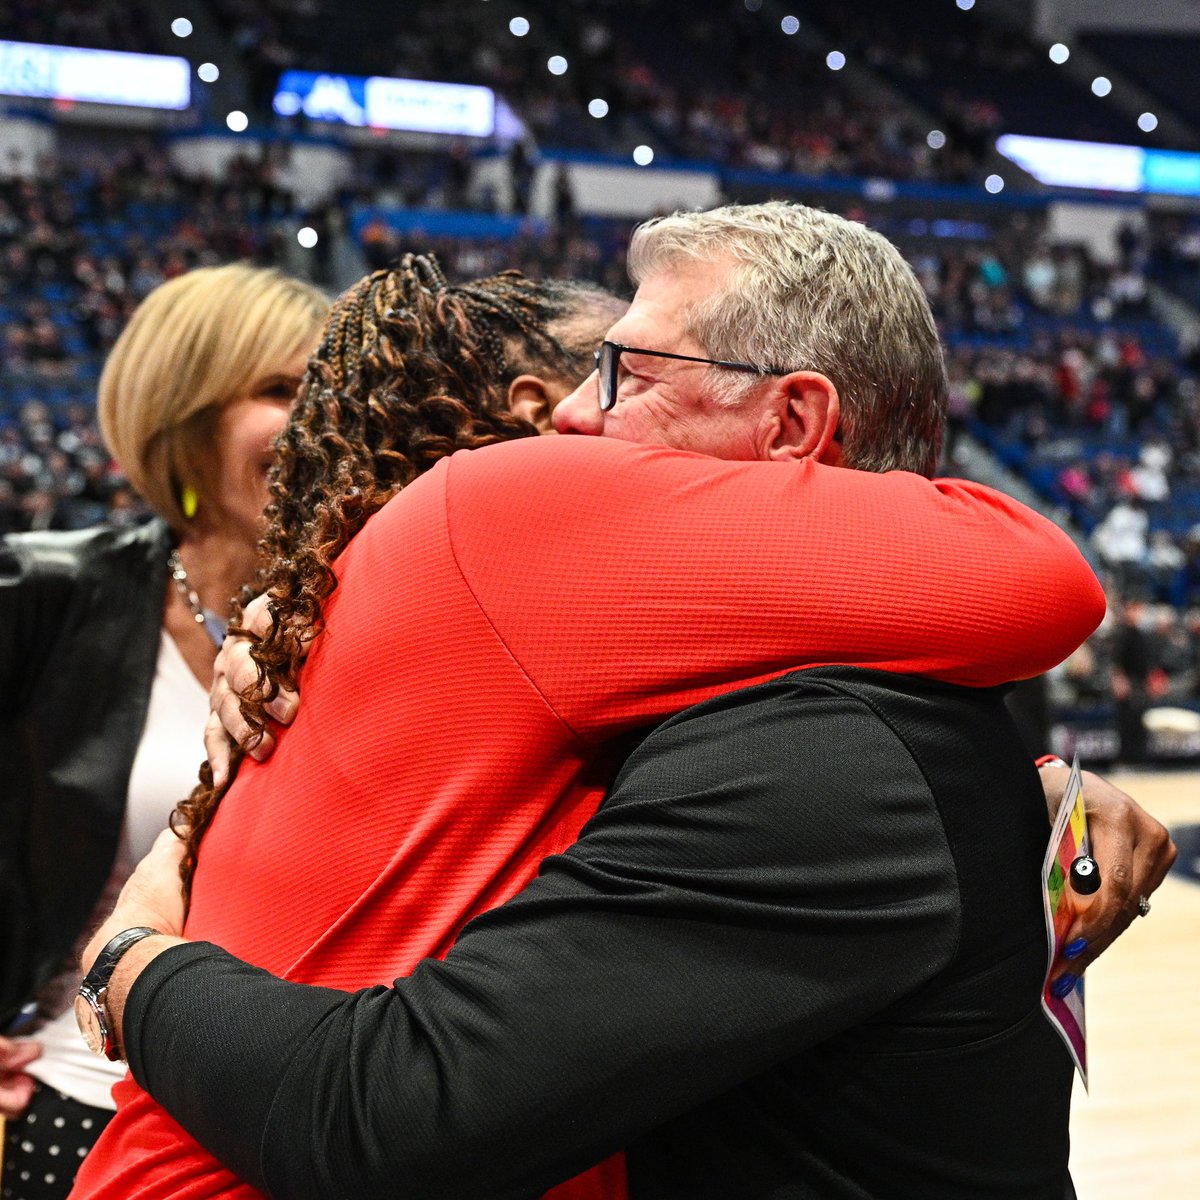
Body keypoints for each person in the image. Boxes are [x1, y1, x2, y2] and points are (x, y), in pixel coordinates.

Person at [76, 205, 1172, 1199]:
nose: (569, 420)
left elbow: (1027, 598)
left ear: (793, 423)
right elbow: (1039, 574)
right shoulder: (511, 526)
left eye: (624, 373)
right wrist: (131, 962)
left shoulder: (784, 701)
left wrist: (1027, 800)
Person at [0, 265, 329, 1198]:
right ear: (184, 416)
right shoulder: (45, 595)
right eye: (278, 390)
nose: (316, 425)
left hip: (300, 1129)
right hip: (77, 1106)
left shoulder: (383, 603)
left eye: (331, 394)